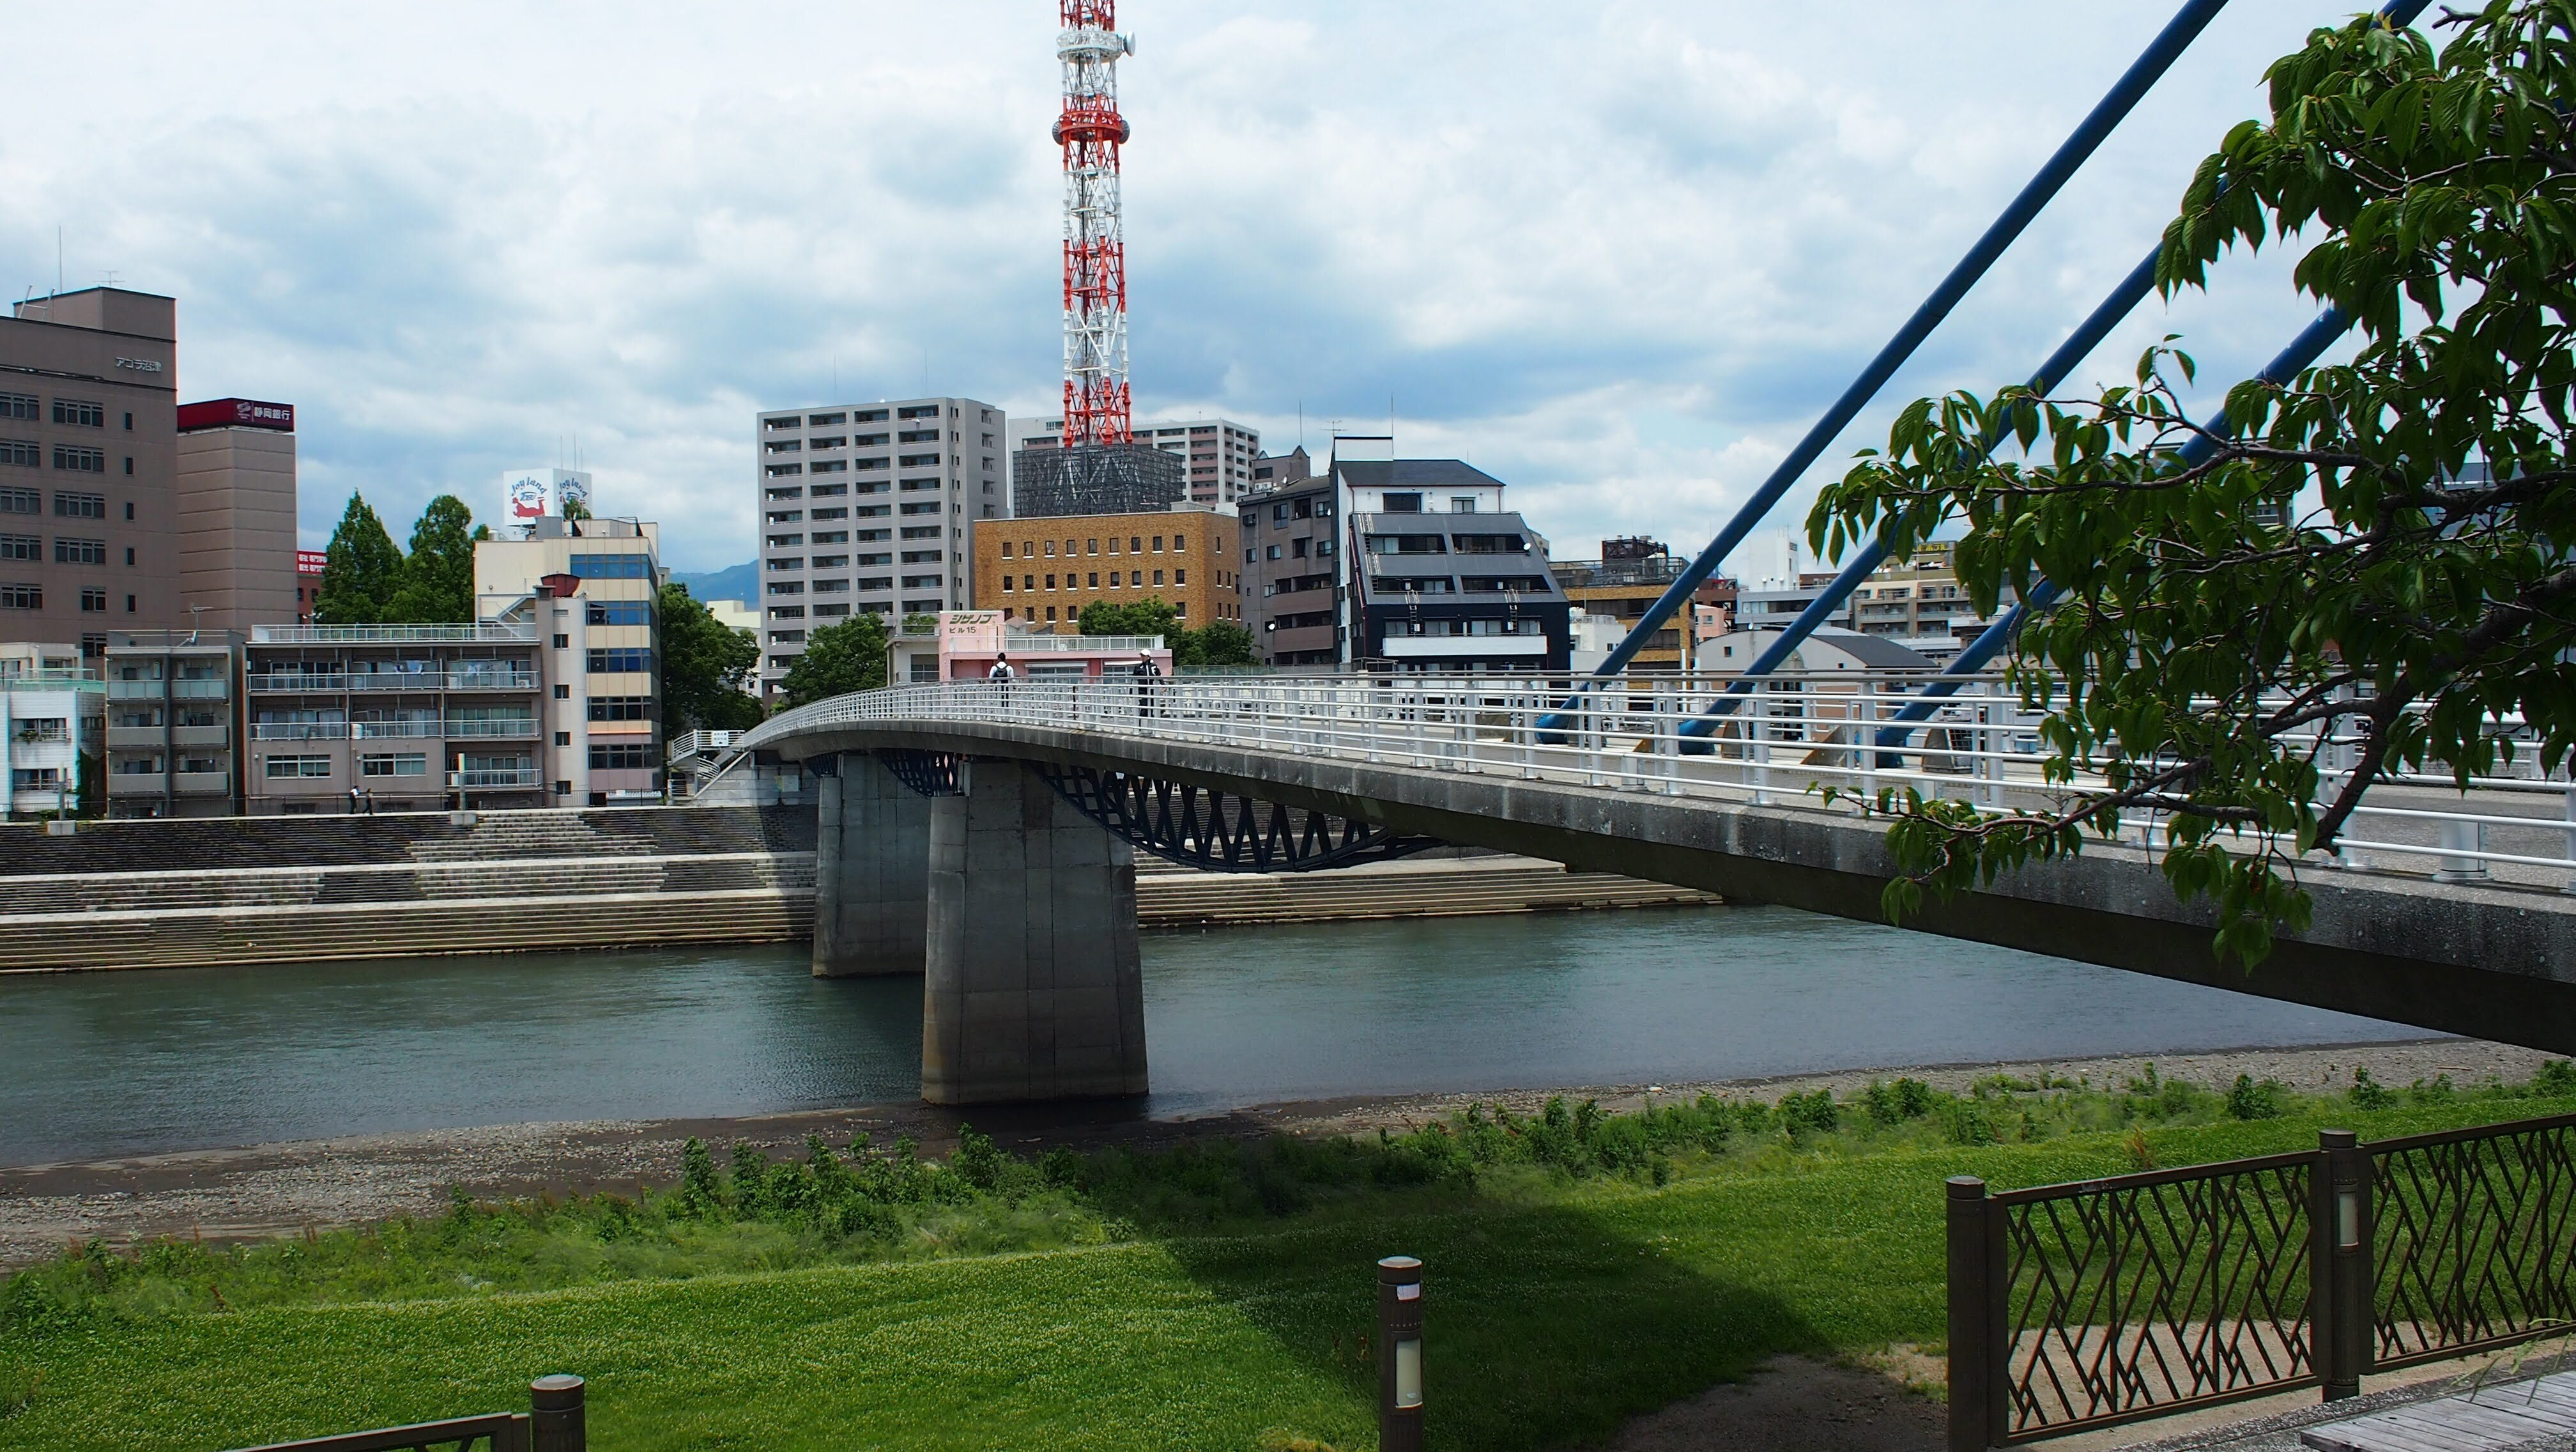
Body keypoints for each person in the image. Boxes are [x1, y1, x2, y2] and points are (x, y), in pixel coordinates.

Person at [1133, 651, 1163, 720]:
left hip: (1152, 690)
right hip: (1142, 690)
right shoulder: (1138, 667)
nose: (1142, 658)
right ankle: (1141, 725)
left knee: (1151, 706)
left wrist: (1163, 685)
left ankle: (1149, 725)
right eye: (1142, 656)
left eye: (1144, 656)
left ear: (1148, 657)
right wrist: (1132, 691)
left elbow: (1159, 676)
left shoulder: (1154, 666)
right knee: (1144, 706)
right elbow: (1134, 680)